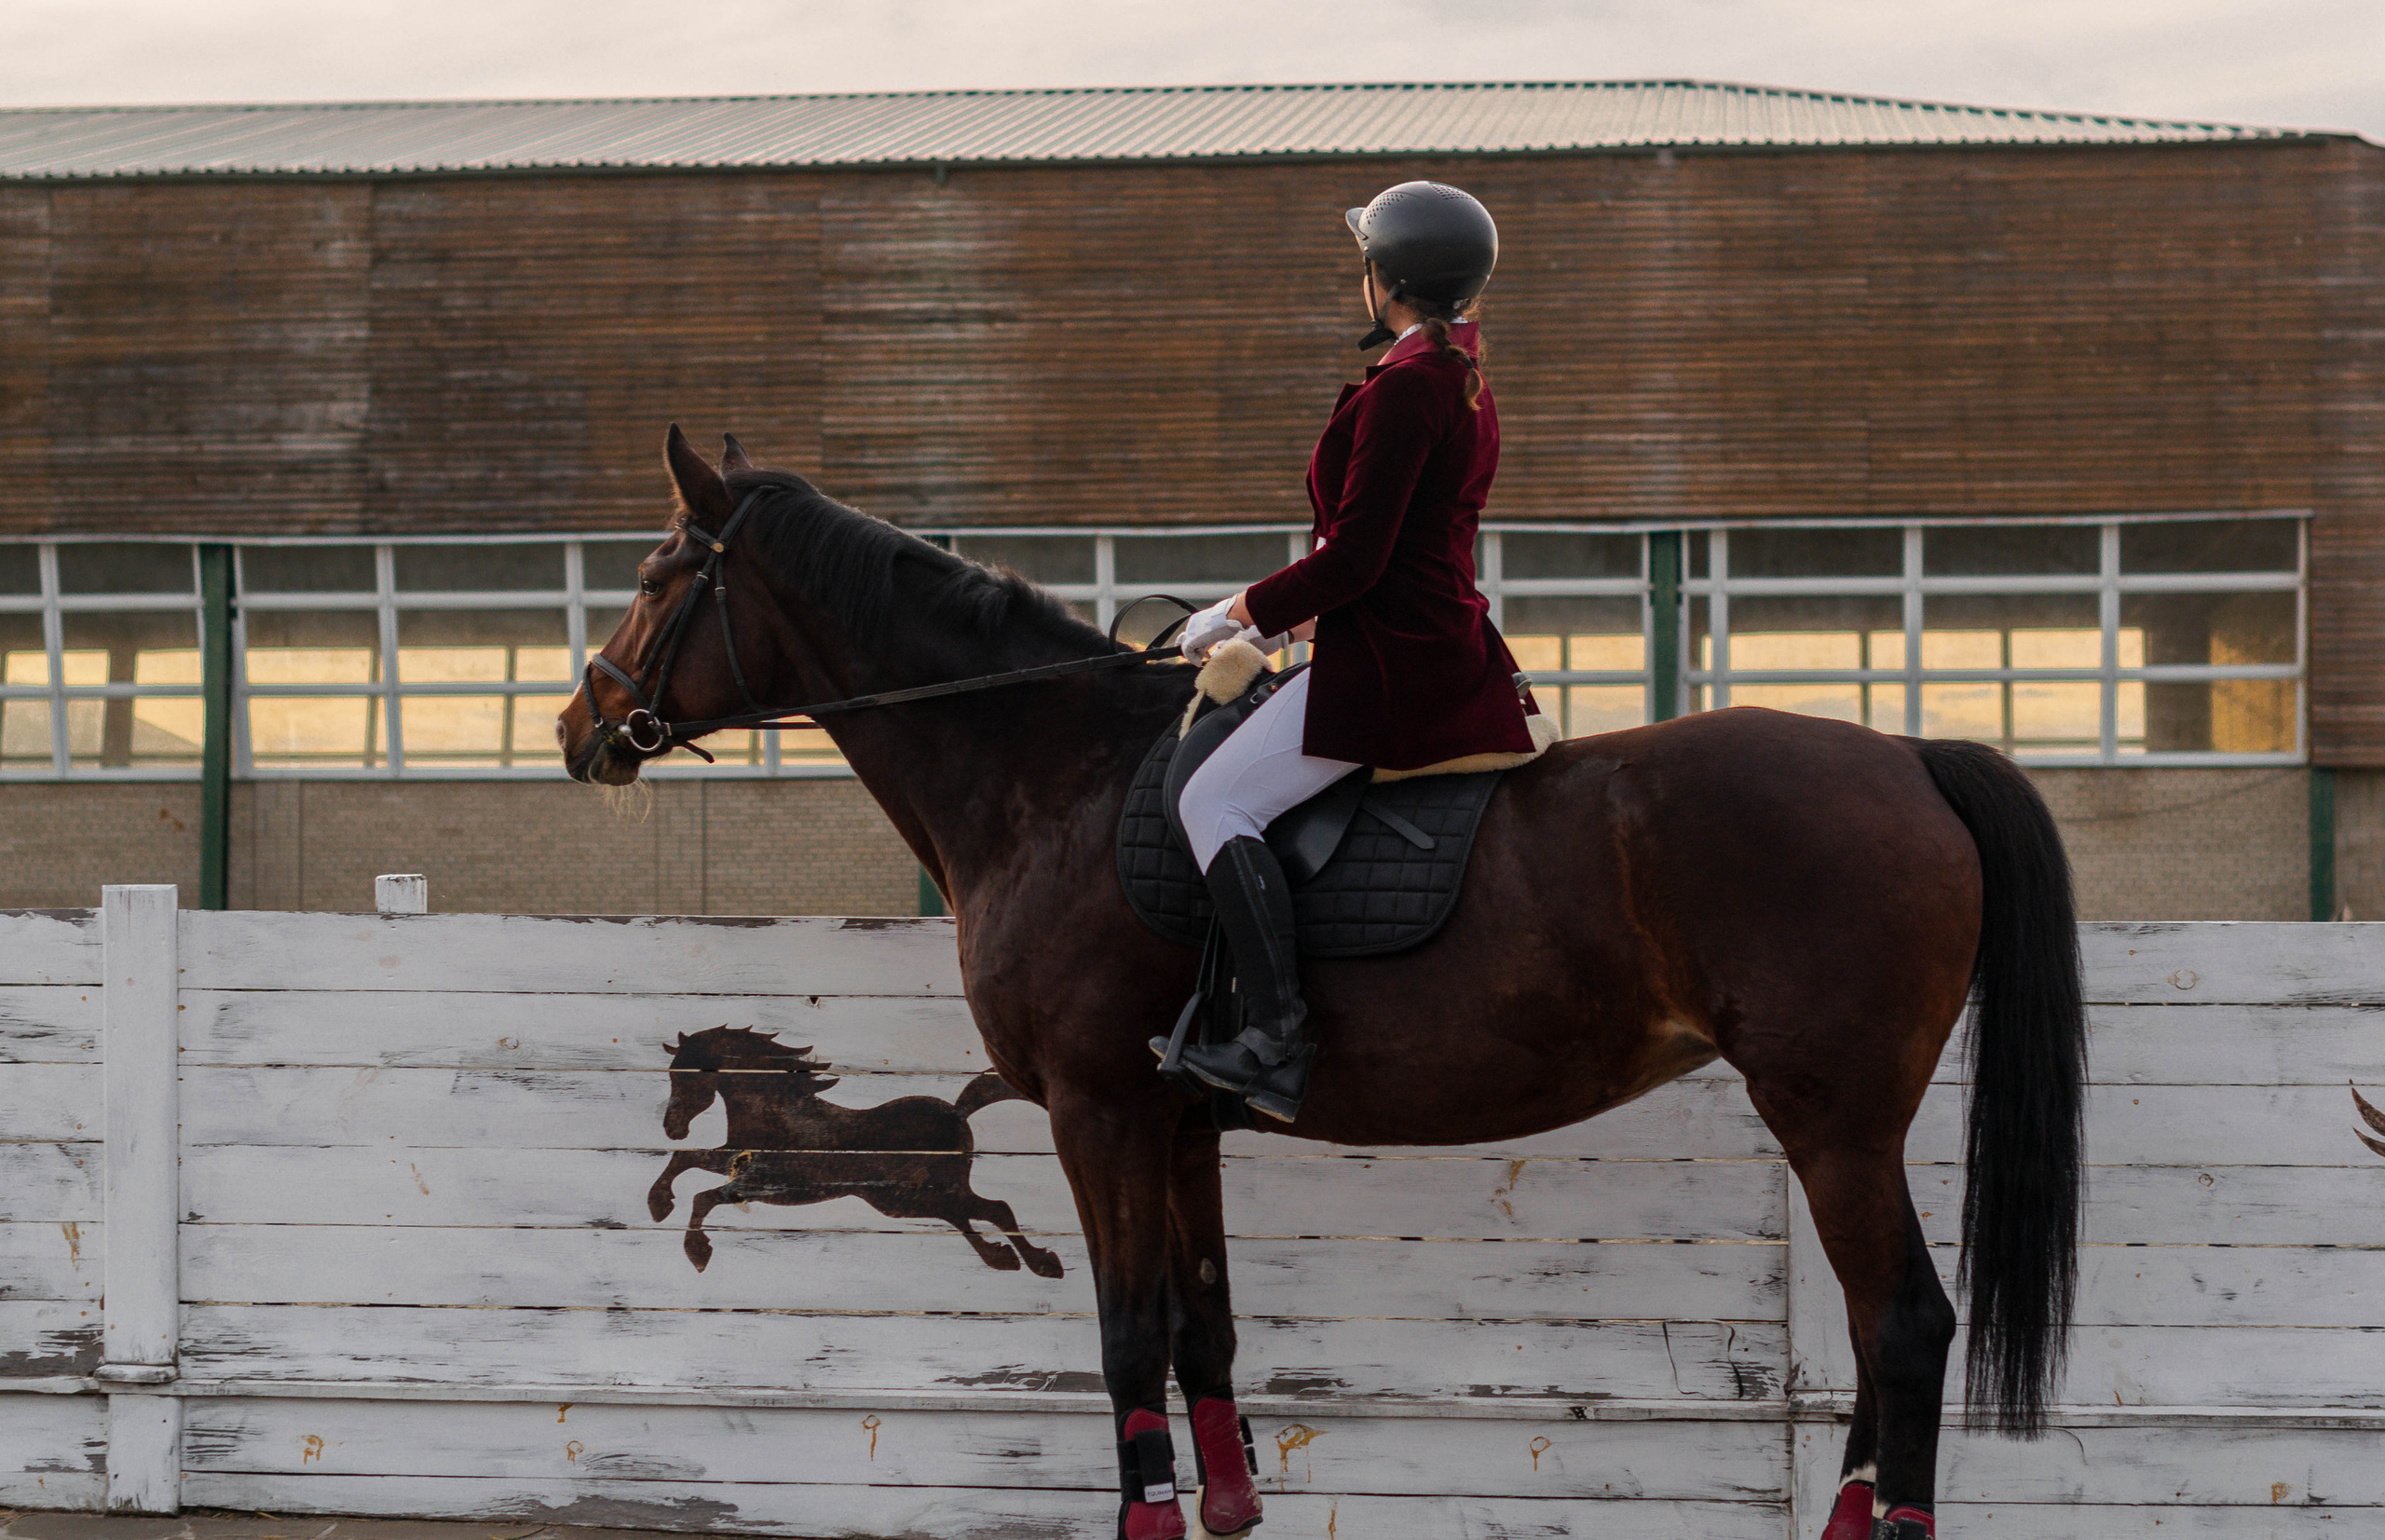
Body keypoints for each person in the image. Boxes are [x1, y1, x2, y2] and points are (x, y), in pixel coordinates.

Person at [1169, 181, 1537, 1124]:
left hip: (1396, 658)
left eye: (1366, 263)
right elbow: (1385, 554)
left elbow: (1359, 559)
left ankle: (1276, 1038)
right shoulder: (1456, 371)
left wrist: (1241, 611)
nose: (1360, 278)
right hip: (1413, 628)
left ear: (1391, 277)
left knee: (1214, 797)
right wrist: (1273, 630)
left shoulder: (1412, 387)